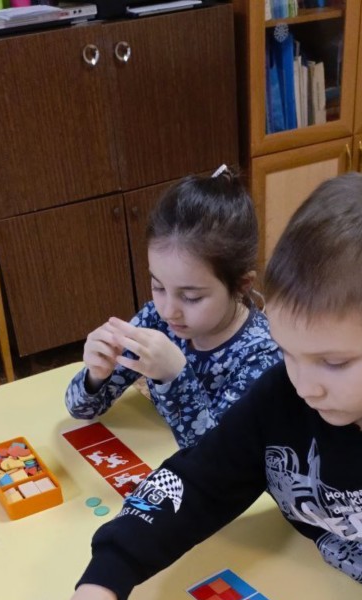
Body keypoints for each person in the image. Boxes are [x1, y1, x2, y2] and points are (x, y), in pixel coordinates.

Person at [31, 172, 362, 600]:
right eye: (289, 352)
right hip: (312, 596)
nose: (305, 386)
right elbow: (196, 482)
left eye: (334, 363)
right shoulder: (284, 393)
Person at [65, 167, 280, 449]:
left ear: (241, 285)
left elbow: (219, 457)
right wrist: (96, 375)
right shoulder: (156, 319)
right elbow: (80, 410)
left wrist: (174, 376)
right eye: (158, 287)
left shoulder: (262, 355)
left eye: (191, 297)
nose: (168, 311)